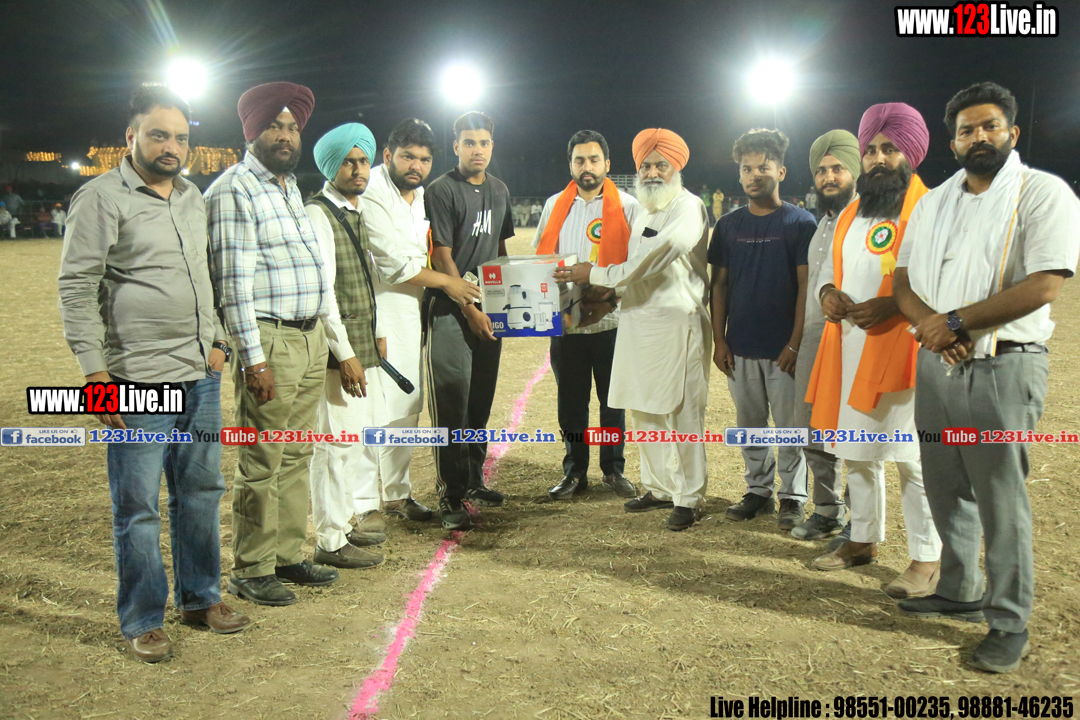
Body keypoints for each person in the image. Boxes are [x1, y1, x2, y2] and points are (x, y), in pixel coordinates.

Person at [58, 86, 251, 663]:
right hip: (136, 379)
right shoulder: (99, 198)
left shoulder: (192, 197)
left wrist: (219, 340)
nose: (172, 147)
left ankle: (201, 598)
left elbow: (206, 277)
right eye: (159, 135)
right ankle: (143, 618)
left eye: (180, 138)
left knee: (201, 492)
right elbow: (76, 289)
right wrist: (94, 374)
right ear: (131, 136)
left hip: (200, 375)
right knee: (138, 505)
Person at [895, 82, 1080, 673]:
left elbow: (1044, 284)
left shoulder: (1043, 192)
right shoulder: (934, 202)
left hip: (1003, 363)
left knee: (1000, 498)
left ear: (1012, 133)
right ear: (952, 142)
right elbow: (903, 280)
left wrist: (954, 323)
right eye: (967, 130)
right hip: (938, 363)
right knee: (945, 484)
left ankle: (1008, 620)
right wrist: (933, 329)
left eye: (989, 126)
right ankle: (959, 589)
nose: (979, 137)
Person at [206, 81, 339, 606]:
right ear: (251, 132)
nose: (285, 135)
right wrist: (253, 360)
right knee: (262, 459)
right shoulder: (234, 189)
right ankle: (253, 567)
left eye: (292, 127)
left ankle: (286, 555)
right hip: (270, 340)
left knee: (296, 452)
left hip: (308, 337)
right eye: (274, 126)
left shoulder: (287, 188)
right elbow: (233, 285)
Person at [806, 104, 942, 600]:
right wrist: (827, 294)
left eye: (890, 149)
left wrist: (895, 305)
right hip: (850, 347)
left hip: (907, 348)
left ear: (911, 154)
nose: (879, 159)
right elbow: (827, 269)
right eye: (871, 150)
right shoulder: (851, 212)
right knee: (857, 452)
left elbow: (943, 279)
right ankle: (862, 539)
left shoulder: (931, 208)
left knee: (914, 460)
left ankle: (927, 558)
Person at [556, 128, 711, 531]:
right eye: (645, 165)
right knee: (644, 409)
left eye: (661, 164)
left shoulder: (689, 207)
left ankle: (690, 497)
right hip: (638, 321)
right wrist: (610, 300)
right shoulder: (645, 210)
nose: (652, 172)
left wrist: (596, 274)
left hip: (678, 324)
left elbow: (655, 258)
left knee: (682, 412)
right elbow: (635, 270)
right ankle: (659, 488)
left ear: (677, 167)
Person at [361, 118, 482, 525]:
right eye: (408, 157)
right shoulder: (372, 191)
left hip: (414, 311)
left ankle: (397, 495)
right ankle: (363, 504)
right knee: (375, 409)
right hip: (380, 309)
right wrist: (450, 283)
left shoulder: (421, 196)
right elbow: (394, 265)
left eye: (425, 160)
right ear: (388, 155)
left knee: (407, 405)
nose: (416, 166)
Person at [710, 129, 815, 529]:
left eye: (763, 168)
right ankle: (758, 490)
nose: (754, 175)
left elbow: (806, 287)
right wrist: (720, 340)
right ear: (739, 174)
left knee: (790, 428)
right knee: (749, 426)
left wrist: (795, 343)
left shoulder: (800, 222)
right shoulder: (727, 225)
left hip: (784, 349)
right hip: (740, 346)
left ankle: (793, 496)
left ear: (781, 171)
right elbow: (719, 286)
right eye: (746, 169)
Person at [532, 129, 640, 500]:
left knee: (613, 403)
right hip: (567, 326)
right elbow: (539, 257)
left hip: (612, 322)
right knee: (571, 404)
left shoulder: (628, 205)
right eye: (580, 160)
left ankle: (613, 469)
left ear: (607, 164)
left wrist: (612, 296)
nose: (587, 166)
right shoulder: (554, 205)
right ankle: (575, 471)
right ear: (571, 165)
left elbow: (638, 264)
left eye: (594, 159)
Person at [424, 111, 516, 530]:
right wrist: (469, 309)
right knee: (451, 404)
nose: (477, 150)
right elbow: (441, 255)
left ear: (492, 146)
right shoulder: (441, 190)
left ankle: (474, 479)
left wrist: (506, 303)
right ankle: (450, 492)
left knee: (479, 401)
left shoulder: (500, 190)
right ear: (456, 146)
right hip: (451, 310)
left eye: (483, 143)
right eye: (469, 143)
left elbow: (501, 250)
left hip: (489, 311)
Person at [303, 123, 388, 570]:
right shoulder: (319, 214)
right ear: (331, 166)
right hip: (340, 352)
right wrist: (346, 354)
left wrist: (375, 332)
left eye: (363, 161)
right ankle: (330, 540)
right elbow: (324, 293)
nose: (358, 170)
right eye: (349, 162)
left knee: (352, 441)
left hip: (360, 342)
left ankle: (342, 523)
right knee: (336, 445)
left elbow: (363, 281)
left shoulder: (353, 210)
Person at [790, 130, 859, 546]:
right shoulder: (822, 224)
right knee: (811, 425)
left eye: (837, 169)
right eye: (821, 171)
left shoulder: (867, 220)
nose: (828, 177)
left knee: (854, 431)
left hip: (853, 336)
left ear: (854, 172)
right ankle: (828, 510)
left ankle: (861, 520)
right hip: (816, 336)